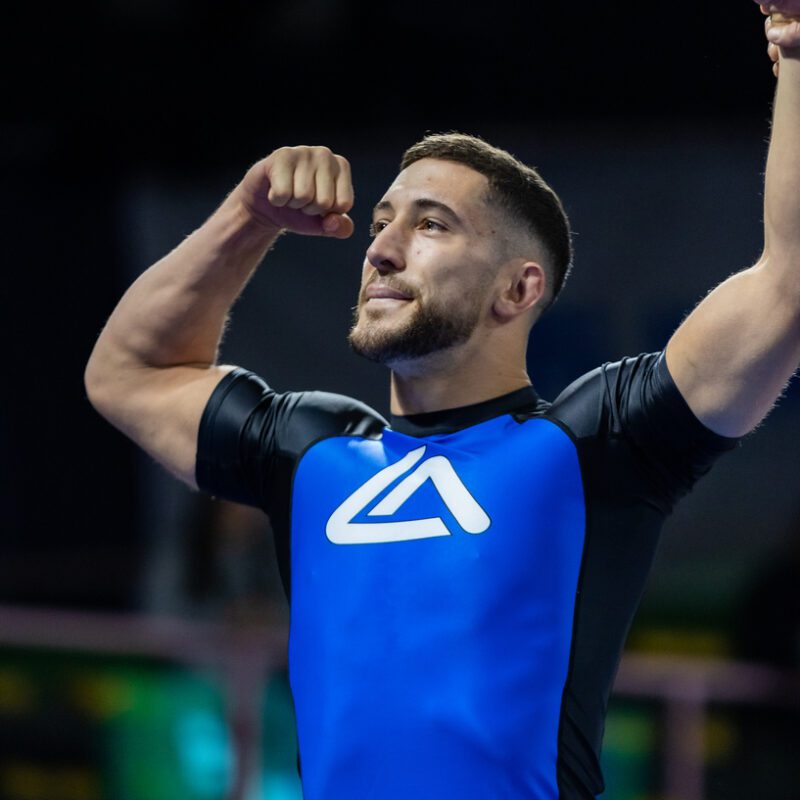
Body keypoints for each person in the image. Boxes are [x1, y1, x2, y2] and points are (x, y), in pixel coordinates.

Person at [85, 8, 800, 799]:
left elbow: (786, 289)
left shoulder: (596, 442)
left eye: (432, 226)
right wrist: (247, 218)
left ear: (519, 288)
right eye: (382, 224)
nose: (383, 248)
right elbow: (127, 371)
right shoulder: (310, 449)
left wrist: (797, 45)